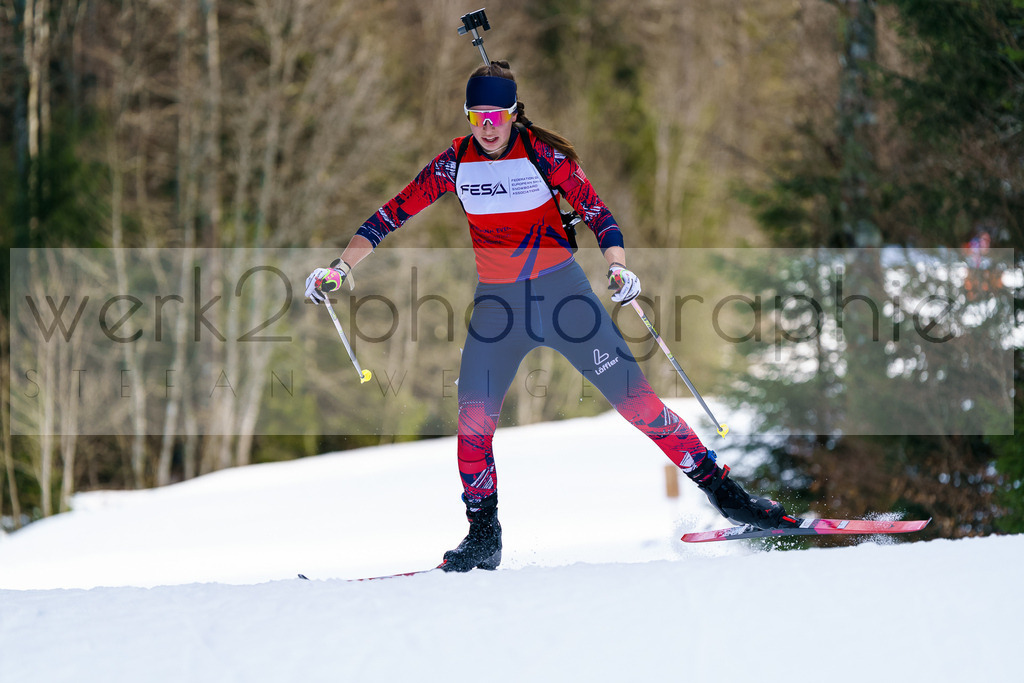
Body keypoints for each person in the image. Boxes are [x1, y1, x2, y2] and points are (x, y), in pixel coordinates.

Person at [305, 61, 790, 572]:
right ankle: (483, 534)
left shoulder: (544, 156)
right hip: (499, 307)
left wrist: (619, 269)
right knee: (472, 421)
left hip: (564, 299)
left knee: (637, 404)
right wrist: (340, 269)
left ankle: (731, 497)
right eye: (476, 115)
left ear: (513, 113)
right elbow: (389, 215)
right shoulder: (453, 164)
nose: (486, 126)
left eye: (496, 114)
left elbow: (601, 216)